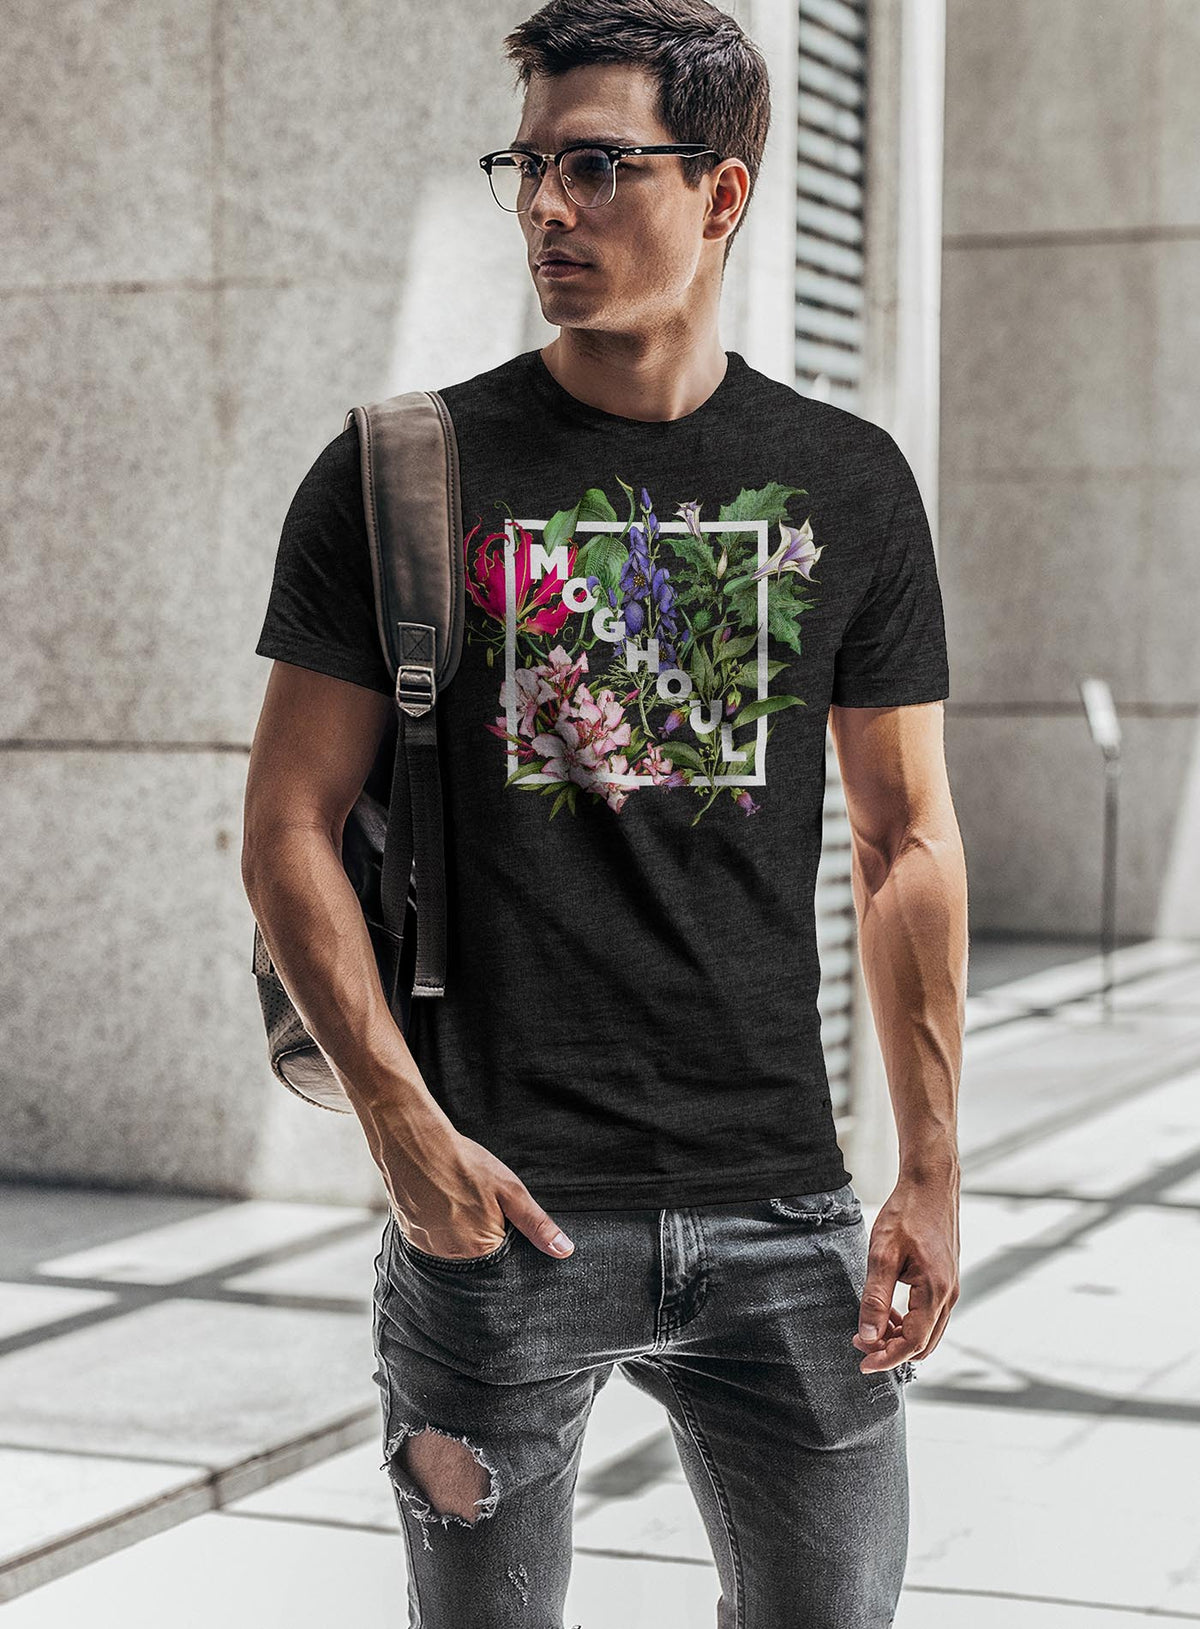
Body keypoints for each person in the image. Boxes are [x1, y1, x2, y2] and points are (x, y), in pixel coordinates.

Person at [241, 1, 966, 1623]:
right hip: (497, 1213)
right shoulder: (401, 474)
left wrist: (929, 1160)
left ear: (722, 193)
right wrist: (403, 1133)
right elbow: (289, 825)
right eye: (528, 166)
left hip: (784, 1207)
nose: (548, 209)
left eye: (597, 166)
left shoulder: (847, 482)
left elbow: (909, 837)